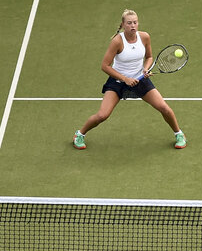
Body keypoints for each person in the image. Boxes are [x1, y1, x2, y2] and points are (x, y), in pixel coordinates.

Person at [72, 9, 186, 150]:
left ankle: (179, 134)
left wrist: (145, 68)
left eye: (135, 22)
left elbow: (149, 57)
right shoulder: (117, 42)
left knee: (164, 108)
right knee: (102, 115)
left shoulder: (144, 37)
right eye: (129, 23)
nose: (133, 26)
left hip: (140, 79)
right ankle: (80, 134)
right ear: (123, 25)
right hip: (118, 82)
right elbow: (105, 66)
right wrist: (125, 79)